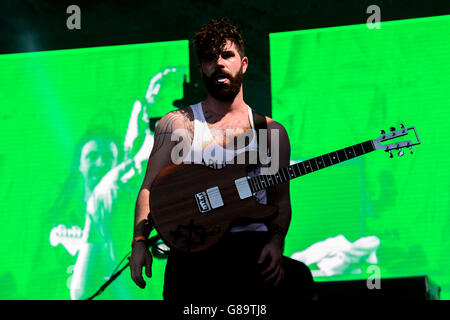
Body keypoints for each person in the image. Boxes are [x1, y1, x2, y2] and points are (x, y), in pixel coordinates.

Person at [130, 18, 313, 301]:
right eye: (209, 58)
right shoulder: (177, 124)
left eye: (227, 55)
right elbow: (149, 187)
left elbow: (280, 200)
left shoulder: (271, 133)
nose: (219, 63)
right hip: (192, 261)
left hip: (250, 256)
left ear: (244, 63)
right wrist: (140, 242)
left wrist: (276, 242)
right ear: (201, 67)